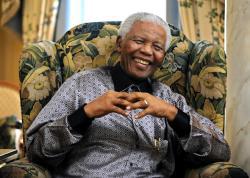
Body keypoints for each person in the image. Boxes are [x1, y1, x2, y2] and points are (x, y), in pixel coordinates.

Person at [26, 12, 230, 178]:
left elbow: (221, 151)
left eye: (157, 47)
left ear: (163, 57)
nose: (147, 51)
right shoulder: (80, 85)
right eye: (139, 41)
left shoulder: (168, 98)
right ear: (119, 44)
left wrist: (173, 114)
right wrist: (86, 113)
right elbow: (36, 150)